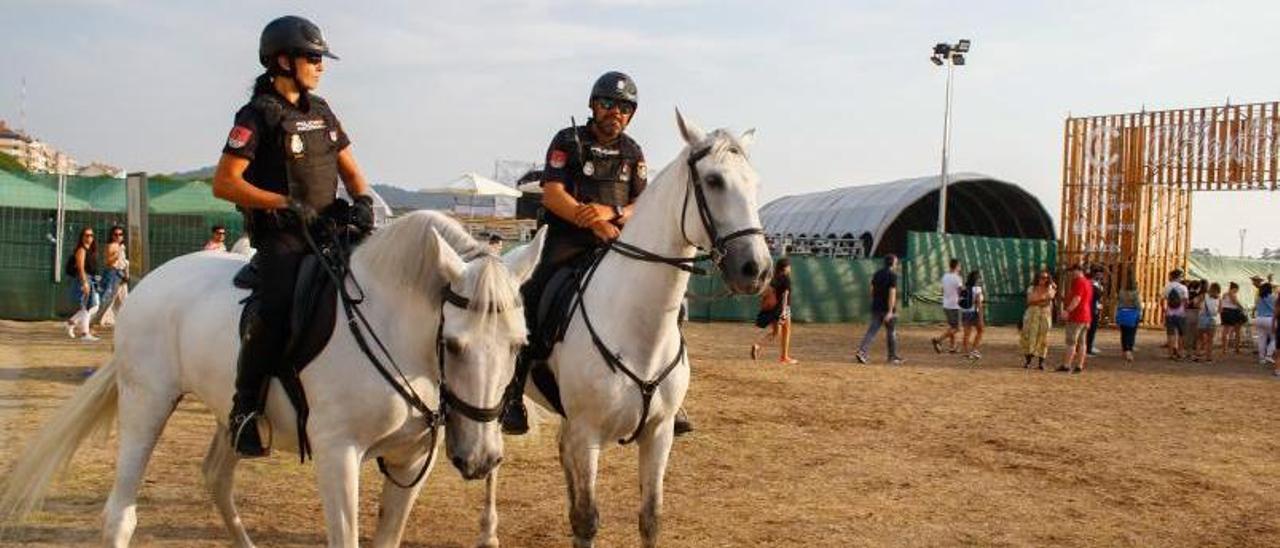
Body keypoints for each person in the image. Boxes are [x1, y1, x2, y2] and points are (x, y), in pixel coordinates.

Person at [211, 15, 375, 457]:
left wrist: (363, 201)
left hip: (330, 229)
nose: (321, 66)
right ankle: (244, 408)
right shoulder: (256, 115)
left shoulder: (321, 111)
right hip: (283, 237)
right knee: (278, 306)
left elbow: (352, 171)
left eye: (322, 58)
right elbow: (225, 182)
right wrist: (282, 203)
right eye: (314, 57)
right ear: (283, 60)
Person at [498, 71, 687, 436]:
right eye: (608, 104)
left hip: (616, 239)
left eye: (624, 107)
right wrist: (589, 221)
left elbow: (640, 203)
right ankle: (513, 392)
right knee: (532, 293)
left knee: (671, 302)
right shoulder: (568, 141)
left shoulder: (633, 152)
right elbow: (554, 194)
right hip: (565, 238)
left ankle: (671, 394)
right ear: (593, 105)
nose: (615, 112)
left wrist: (611, 215)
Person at [855, 254, 904, 365]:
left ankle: (862, 352)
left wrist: (877, 300)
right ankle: (892, 357)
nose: (897, 264)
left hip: (876, 307)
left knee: (871, 332)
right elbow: (892, 293)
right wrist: (890, 311)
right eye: (896, 262)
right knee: (891, 333)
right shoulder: (893, 275)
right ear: (893, 263)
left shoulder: (877, 274)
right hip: (887, 309)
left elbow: (871, 290)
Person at [751, 257, 797, 364]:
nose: (790, 268)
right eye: (789, 266)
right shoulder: (786, 278)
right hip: (782, 308)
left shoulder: (774, 278)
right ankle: (784, 357)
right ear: (785, 268)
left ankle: (757, 345)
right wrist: (784, 312)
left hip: (774, 310)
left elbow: (766, 293)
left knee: (776, 332)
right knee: (786, 331)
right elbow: (785, 295)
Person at [64, 226, 101, 341]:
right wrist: (84, 282)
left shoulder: (91, 250)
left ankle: (71, 323)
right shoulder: (81, 250)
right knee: (87, 307)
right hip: (84, 279)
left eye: (91, 235)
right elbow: (80, 267)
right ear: (82, 237)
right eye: (87, 235)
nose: (89, 237)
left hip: (91, 279)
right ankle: (85, 334)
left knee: (93, 306)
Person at [1059, 263, 1092, 373]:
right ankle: (1079, 365)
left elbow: (1077, 298)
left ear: (1078, 270)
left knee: (1071, 341)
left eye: (1072, 271)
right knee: (1082, 342)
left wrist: (1067, 310)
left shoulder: (1079, 282)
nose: (1071, 274)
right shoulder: (1088, 282)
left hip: (1077, 316)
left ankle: (1066, 364)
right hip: (1086, 315)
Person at [1020, 269, 1055, 369]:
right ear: (1037, 278)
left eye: (1046, 278)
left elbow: (1049, 299)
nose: (1044, 280)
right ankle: (1028, 361)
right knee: (1028, 335)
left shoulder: (1050, 287)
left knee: (1044, 337)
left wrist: (1038, 299)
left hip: (1045, 314)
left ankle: (1041, 362)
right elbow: (1030, 300)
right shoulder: (1032, 288)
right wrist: (1044, 297)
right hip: (1032, 314)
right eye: (1042, 277)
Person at [97, 225, 129, 327]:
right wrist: (118, 252)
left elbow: (123, 262)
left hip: (121, 274)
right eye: (115, 234)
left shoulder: (121, 247)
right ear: (112, 236)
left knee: (123, 298)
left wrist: (126, 273)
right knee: (109, 298)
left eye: (120, 234)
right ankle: (98, 318)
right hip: (113, 273)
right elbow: (109, 262)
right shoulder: (112, 246)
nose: (118, 237)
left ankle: (123, 320)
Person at [931, 258, 962, 354]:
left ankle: (953, 348)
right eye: (959, 266)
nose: (960, 268)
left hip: (946, 304)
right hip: (954, 305)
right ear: (956, 266)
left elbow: (942, 290)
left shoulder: (945, 276)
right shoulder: (957, 278)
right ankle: (938, 340)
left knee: (952, 326)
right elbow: (960, 291)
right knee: (957, 328)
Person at [959, 270, 986, 361]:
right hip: (974, 312)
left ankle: (966, 353)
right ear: (976, 279)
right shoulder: (977, 289)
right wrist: (981, 316)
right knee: (981, 330)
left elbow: (959, 301)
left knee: (967, 333)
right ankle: (974, 349)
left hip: (965, 312)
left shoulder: (965, 288)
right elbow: (979, 303)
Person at [1163, 269, 1189, 360]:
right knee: (1181, 334)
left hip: (1169, 313)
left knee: (1171, 334)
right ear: (1179, 277)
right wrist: (1185, 311)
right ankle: (1180, 353)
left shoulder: (1166, 287)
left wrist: (1165, 310)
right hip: (1181, 313)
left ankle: (1170, 354)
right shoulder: (1183, 288)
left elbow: (1163, 299)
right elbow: (1186, 301)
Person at [1115, 278, 1142, 362]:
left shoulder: (1121, 292)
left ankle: (1124, 350)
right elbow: (1138, 305)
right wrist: (1140, 314)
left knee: (1123, 333)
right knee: (1131, 333)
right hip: (1133, 314)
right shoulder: (1136, 293)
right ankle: (1129, 351)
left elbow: (1118, 303)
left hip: (1122, 312)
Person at [1194, 282, 1222, 363]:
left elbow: (1196, 305)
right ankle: (1208, 358)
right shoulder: (1219, 298)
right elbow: (1220, 310)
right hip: (1212, 320)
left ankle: (1197, 356)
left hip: (1202, 319)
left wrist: (1201, 307)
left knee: (1199, 339)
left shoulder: (1203, 296)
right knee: (1210, 340)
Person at [1219, 281, 1246, 355]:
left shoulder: (1224, 294)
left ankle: (1224, 349)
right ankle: (1236, 349)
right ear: (1234, 288)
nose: (1237, 291)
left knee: (1225, 331)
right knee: (1237, 331)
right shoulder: (1232, 294)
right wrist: (1242, 308)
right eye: (1237, 289)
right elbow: (1235, 302)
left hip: (1224, 312)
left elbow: (1221, 303)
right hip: (1232, 312)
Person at [1254, 283, 1276, 365]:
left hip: (1259, 319)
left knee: (1261, 340)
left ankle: (1261, 359)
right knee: (1275, 338)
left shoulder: (1258, 298)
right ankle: (1269, 355)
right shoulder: (1273, 297)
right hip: (1270, 319)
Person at [1086, 266, 1105, 355]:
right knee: (1089, 329)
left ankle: (1090, 346)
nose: (1100, 275)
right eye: (1098, 273)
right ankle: (1087, 348)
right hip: (1091, 308)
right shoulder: (1091, 283)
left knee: (1093, 329)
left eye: (1101, 273)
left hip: (1096, 308)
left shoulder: (1099, 283)